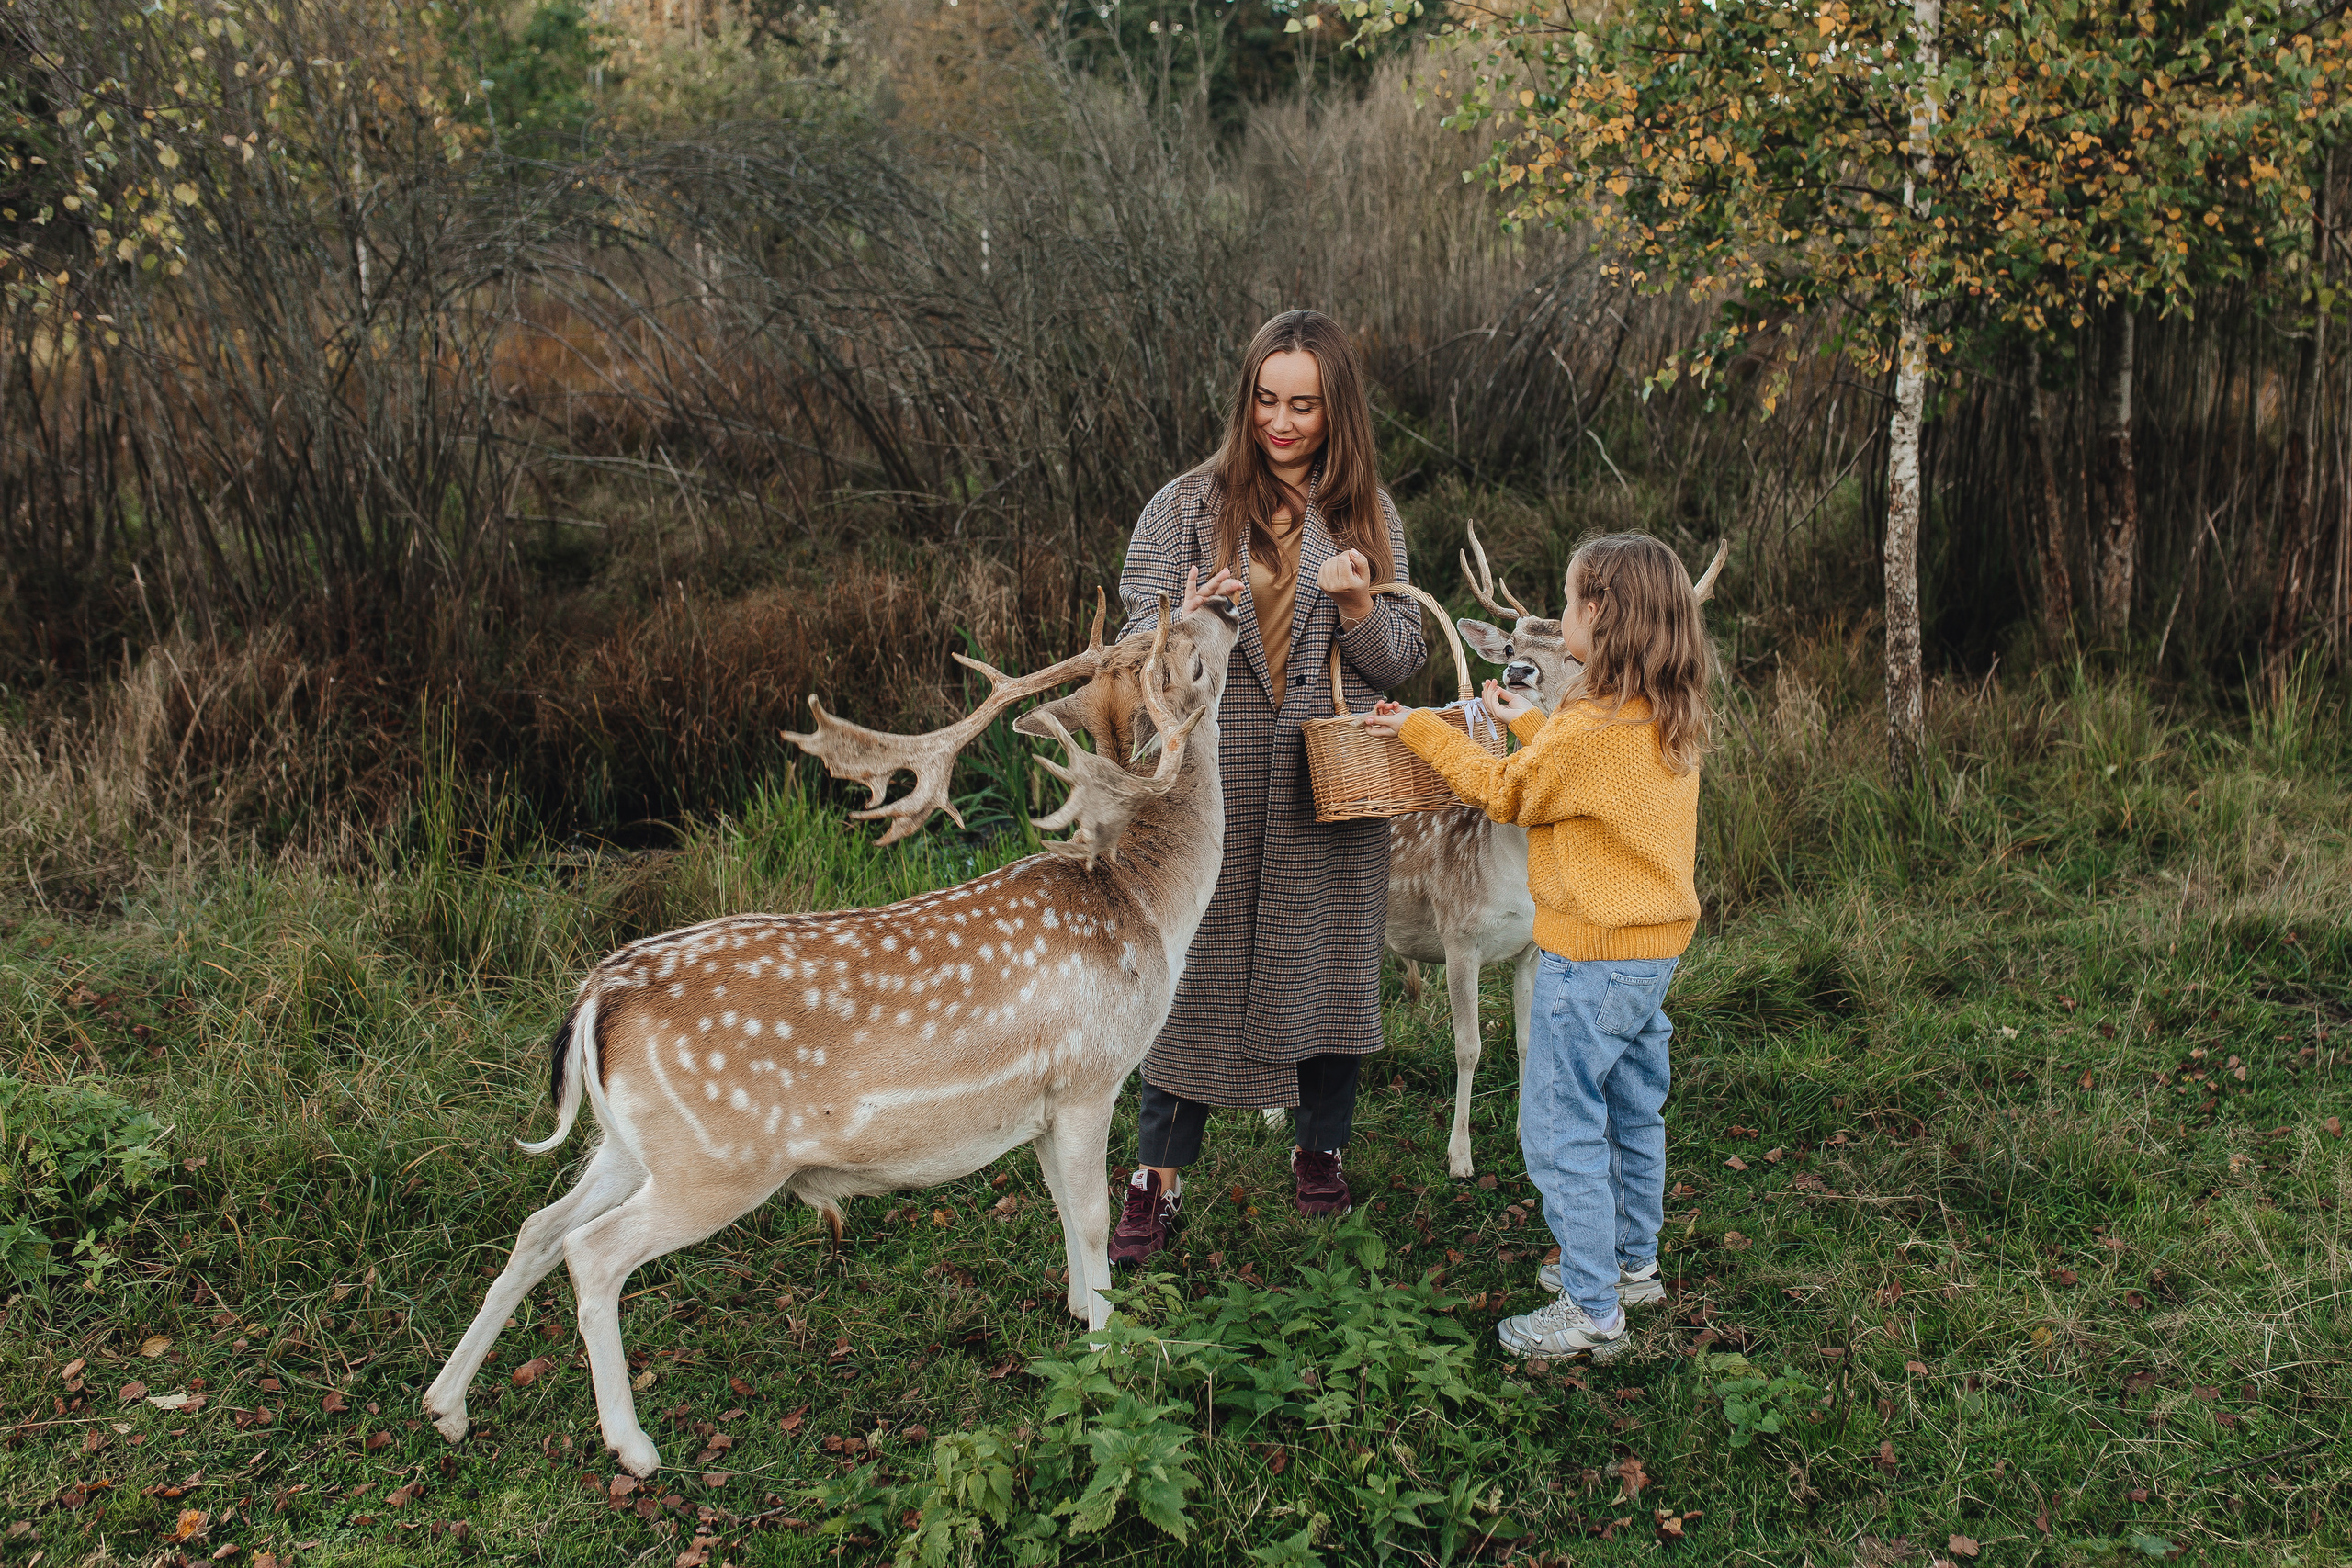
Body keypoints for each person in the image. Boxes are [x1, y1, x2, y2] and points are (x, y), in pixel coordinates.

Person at [1106, 310, 1427, 1266]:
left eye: (1304, 405)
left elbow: (1401, 658)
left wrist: (1358, 603)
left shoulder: (1370, 514)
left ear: (1338, 411)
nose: (1280, 423)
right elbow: (1132, 645)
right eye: (1265, 399)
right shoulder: (1185, 507)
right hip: (1205, 786)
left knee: (1326, 969)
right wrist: (1186, 619)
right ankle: (1153, 1187)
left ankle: (1318, 1157)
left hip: (1322, 783)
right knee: (1190, 981)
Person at [1364, 534, 1714, 1359]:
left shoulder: (1583, 731)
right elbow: (1572, 770)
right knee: (1633, 1112)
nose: (1558, 621)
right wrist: (1526, 717)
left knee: (1560, 1128)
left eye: (1567, 605)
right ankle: (1633, 1263)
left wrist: (1423, 729)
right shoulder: (1666, 713)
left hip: (1585, 960)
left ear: (1601, 616)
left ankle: (1591, 1307)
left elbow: (1509, 790)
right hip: (1651, 958)